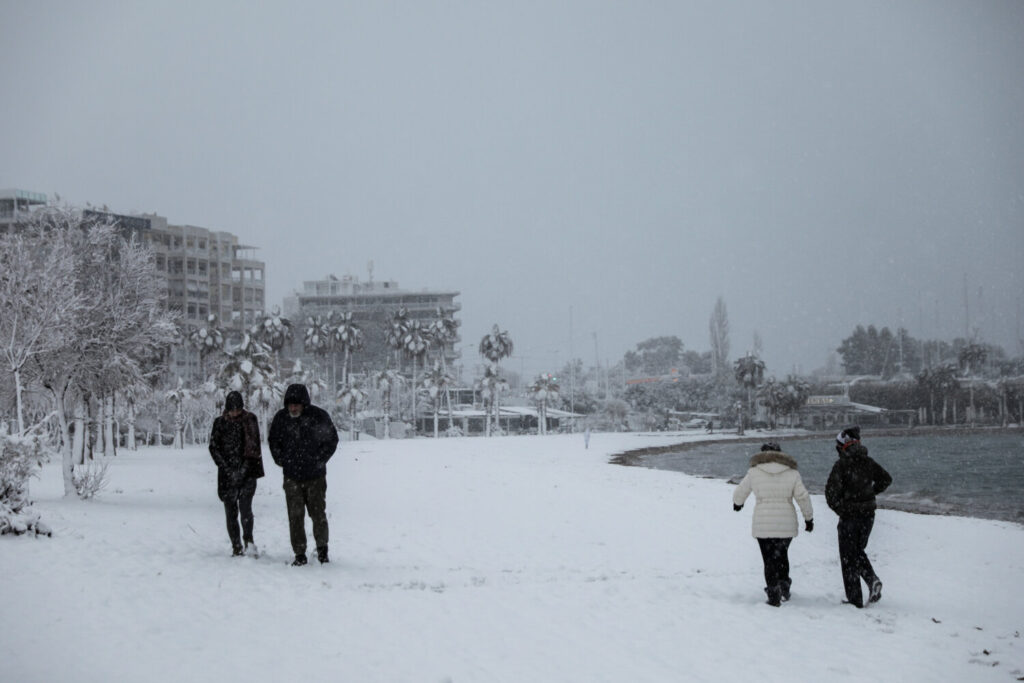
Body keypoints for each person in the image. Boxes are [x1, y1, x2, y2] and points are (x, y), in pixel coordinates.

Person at [733, 442, 814, 606]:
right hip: (786, 522)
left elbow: (741, 491)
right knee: (782, 554)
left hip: (763, 522)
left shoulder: (754, 472)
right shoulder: (792, 472)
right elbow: (803, 497)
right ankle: (784, 586)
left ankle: (773, 593)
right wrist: (808, 518)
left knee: (769, 559)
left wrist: (738, 503)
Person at [269, 383, 339, 566]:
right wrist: (281, 460)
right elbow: (273, 441)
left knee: (318, 515)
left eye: (296, 404)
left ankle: (322, 550)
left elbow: (332, 440)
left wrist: (319, 460)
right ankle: (299, 553)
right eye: (290, 404)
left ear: (304, 404)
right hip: (291, 477)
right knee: (295, 516)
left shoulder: (319, 416)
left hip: (315, 477)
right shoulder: (281, 418)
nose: (293, 408)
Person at [825, 425, 892, 608]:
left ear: (842, 446)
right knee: (856, 552)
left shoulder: (841, 465)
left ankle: (855, 598)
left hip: (849, 516)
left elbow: (830, 494)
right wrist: (870, 494)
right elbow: (886, 479)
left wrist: (842, 509)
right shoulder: (868, 462)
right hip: (868, 515)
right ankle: (872, 582)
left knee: (848, 556)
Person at [208, 391, 265, 557]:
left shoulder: (249, 421)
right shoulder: (220, 423)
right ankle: (236, 546)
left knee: (246, 509)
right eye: (232, 410)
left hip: (247, 473)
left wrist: (242, 471)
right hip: (226, 474)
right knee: (230, 511)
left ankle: (249, 542)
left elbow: (253, 448)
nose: (235, 413)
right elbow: (214, 447)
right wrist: (226, 468)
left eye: (237, 409)